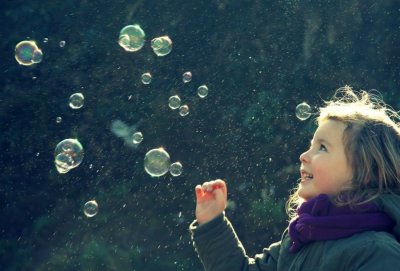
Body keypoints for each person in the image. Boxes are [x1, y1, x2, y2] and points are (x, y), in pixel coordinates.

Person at [189, 86, 400, 271]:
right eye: (311, 145)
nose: (303, 156)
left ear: (363, 171)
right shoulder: (299, 237)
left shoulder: (377, 252)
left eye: (322, 147)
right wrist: (213, 223)